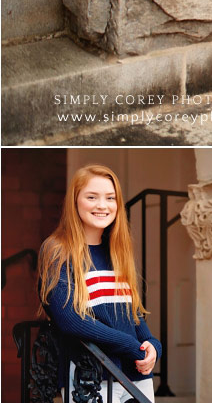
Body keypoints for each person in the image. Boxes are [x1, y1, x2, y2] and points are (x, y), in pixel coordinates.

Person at [38, 164, 161, 403]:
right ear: (75, 202)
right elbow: (70, 319)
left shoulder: (117, 252)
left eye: (110, 198)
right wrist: (130, 345)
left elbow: (133, 314)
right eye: (92, 197)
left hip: (136, 376)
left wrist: (153, 346)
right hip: (90, 377)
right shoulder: (56, 250)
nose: (102, 205)